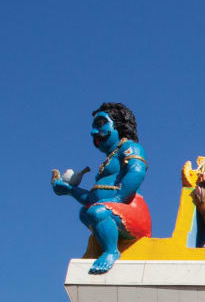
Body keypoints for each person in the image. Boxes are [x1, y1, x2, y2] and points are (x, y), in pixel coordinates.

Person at [51, 103, 150, 274]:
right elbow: (91, 199)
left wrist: (117, 199)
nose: (94, 132)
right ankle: (105, 242)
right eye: (94, 127)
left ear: (120, 125)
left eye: (101, 124)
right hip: (110, 209)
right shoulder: (108, 163)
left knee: (97, 213)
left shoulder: (130, 148)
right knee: (85, 212)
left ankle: (111, 251)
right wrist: (70, 190)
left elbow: (137, 172)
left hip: (134, 213)